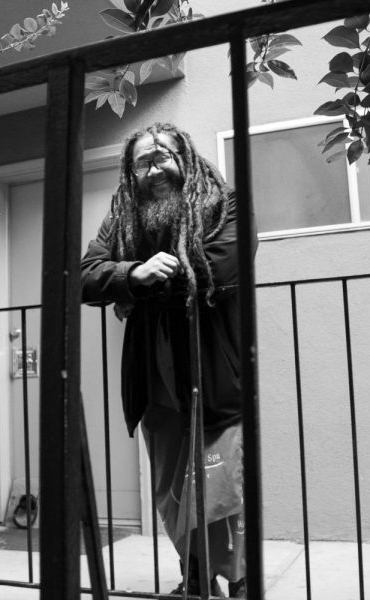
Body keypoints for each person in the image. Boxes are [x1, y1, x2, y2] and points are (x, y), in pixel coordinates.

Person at [81, 122, 256, 598]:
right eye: (143, 161)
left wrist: (136, 290)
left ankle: (239, 578)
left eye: (163, 156)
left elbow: (217, 267)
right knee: (170, 487)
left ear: (187, 159)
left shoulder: (227, 205)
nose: (154, 167)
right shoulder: (122, 219)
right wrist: (132, 272)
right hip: (152, 380)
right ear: (130, 170)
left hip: (213, 373)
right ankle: (196, 577)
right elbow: (86, 277)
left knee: (222, 485)